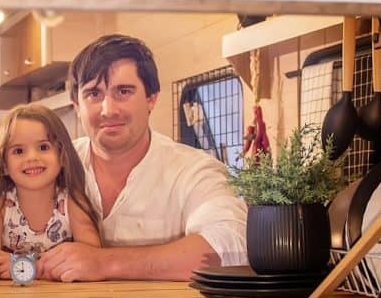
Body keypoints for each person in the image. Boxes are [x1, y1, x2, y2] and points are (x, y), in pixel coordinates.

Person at [36, 34, 247, 283]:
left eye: (123, 91)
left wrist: (103, 262)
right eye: (94, 94)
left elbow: (230, 246)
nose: (108, 110)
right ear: (76, 105)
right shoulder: (50, 166)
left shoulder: (193, 171)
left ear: (151, 99)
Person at [0, 103, 101, 286]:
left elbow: (91, 256)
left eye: (43, 147)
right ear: (3, 164)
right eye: (18, 151)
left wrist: (28, 266)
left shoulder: (72, 202)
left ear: (63, 155)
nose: (32, 157)